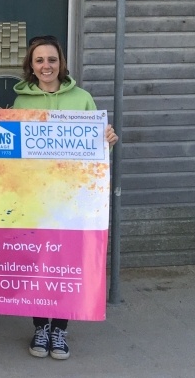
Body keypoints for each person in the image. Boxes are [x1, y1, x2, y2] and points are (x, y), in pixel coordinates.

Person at [12, 34, 118, 361]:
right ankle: (39, 326)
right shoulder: (20, 104)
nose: (47, 65)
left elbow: (95, 147)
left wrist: (107, 140)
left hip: (73, 199)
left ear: (62, 63)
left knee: (67, 263)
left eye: (52, 59)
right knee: (38, 263)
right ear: (31, 65)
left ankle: (60, 329)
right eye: (40, 60)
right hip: (36, 200)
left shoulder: (82, 98)